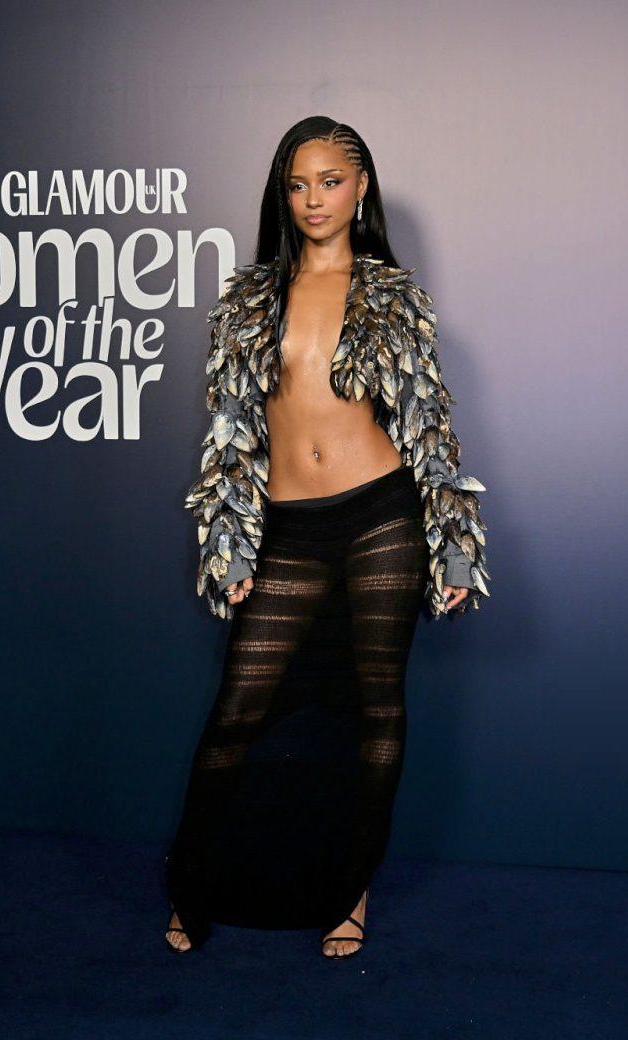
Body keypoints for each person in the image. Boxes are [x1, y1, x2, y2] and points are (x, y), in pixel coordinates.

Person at [163, 116, 490, 958]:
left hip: (380, 515)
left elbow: (428, 423)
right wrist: (231, 542)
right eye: (299, 184)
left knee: (375, 709)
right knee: (238, 711)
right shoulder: (249, 300)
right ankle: (192, 885)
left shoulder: (389, 294)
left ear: (361, 187)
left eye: (331, 181)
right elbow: (231, 430)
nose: (314, 199)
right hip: (287, 526)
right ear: (284, 193)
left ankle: (351, 891)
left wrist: (455, 546)